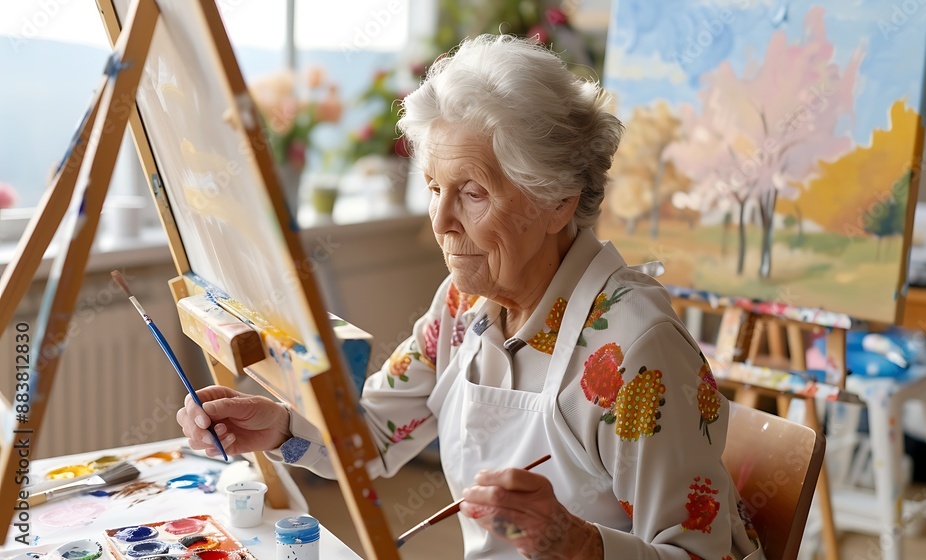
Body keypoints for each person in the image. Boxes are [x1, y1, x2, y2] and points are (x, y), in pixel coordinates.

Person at [177, 34, 763, 560]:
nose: (440, 221)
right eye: (434, 187)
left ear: (557, 200)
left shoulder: (636, 351)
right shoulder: (461, 308)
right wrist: (279, 427)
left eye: (473, 193)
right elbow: (379, 436)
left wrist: (583, 548)